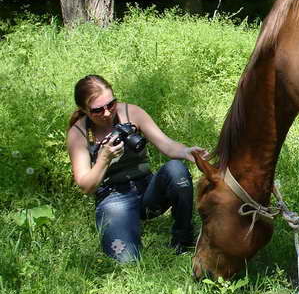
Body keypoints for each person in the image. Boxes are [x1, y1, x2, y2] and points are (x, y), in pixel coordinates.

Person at [66, 75, 207, 262]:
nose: (107, 113)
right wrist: (104, 158)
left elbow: (166, 144)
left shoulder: (131, 112)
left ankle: (183, 238)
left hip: (146, 188)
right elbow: (86, 186)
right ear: (84, 110)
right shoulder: (79, 133)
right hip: (113, 197)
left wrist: (186, 152)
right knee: (126, 260)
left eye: (111, 104)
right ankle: (126, 231)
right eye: (97, 110)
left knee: (176, 170)